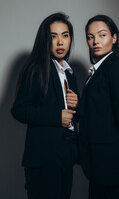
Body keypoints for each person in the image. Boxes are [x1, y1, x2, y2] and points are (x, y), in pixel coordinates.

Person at [11, 12, 79, 199]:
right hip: (43, 161)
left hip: (66, 158)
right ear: (45, 40)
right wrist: (57, 117)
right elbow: (19, 110)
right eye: (53, 36)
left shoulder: (69, 73)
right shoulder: (36, 68)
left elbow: (71, 116)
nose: (60, 42)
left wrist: (77, 106)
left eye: (65, 35)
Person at [78, 15, 119, 199]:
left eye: (101, 35)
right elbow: (99, 111)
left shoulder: (115, 68)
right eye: (90, 37)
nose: (95, 41)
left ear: (114, 38)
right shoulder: (99, 70)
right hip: (101, 167)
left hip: (116, 168)